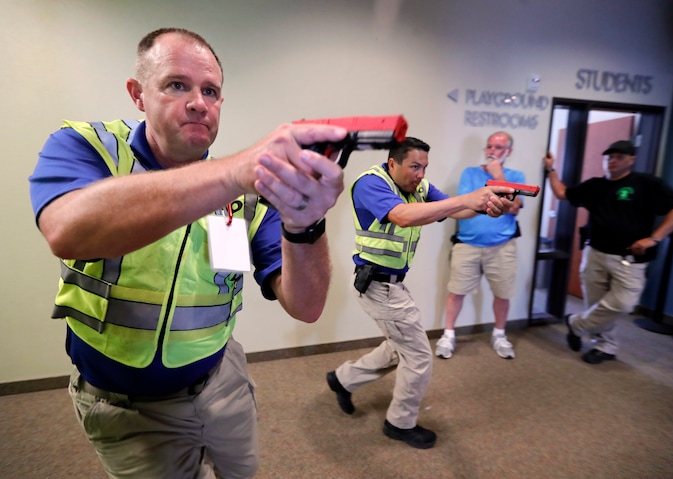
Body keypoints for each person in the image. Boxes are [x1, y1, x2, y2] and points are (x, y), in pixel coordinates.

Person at [29, 28, 347, 479]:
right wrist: (235, 170)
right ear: (138, 94)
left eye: (211, 91)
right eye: (177, 85)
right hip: (126, 406)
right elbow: (66, 229)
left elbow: (307, 306)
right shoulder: (90, 148)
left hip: (223, 379)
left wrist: (307, 223)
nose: (199, 102)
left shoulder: (248, 194)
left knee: (242, 472)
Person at [325, 137, 513, 449]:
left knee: (400, 347)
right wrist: (469, 200)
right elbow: (402, 216)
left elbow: (454, 211)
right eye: (414, 166)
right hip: (377, 285)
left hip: (392, 284)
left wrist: (483, 207)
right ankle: (399, 422)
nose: (421, 174)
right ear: (392, 164)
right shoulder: (371, 184)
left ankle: (343, 379)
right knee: (419, 356)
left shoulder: (419, 188)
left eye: (424, 167)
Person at [543, 140, 673, 364]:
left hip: (629, 258)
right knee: (597, 305)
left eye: (619, 157)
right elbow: (563, 193)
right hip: (595, 254)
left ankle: (576, 324)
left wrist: (654, 238)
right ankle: (606, 346)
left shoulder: (646, 183)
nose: (612, 161)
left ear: (631, 159)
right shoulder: (595, 185)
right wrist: (551, 169)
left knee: (623, 303)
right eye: (609, 157)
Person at [435, 131, 525, 360]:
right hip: (468, 245)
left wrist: (499, 177)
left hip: (502, 246)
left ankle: (499, 335)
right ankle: (448, 335)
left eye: (498, 147)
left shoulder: (515, 176)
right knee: (456, 291)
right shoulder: (470, 173)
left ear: (509, 152)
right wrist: (500, 198)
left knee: (502, 294)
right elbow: (469, 204)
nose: (492, 151)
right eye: (490, 147)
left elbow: (515, 207)